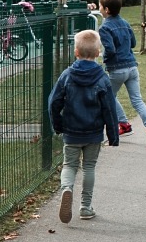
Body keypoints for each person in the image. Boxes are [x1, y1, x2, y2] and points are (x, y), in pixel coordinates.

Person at [48, 29, 120, 223]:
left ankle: (67, 189)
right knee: (89, 167)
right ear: (98, 53)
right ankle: (85, 207)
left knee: (69, 165)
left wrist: (58, 125)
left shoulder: (67, 75)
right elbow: (110, 110)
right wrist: (113, 135)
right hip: (94, 133)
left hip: (71, 131)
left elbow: (54, 102)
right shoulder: (102, 78)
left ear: (76, 52)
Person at [98, 0, 146, 145]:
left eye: (99, 6)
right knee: (137, 100)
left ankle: (124, 125)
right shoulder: (125, 23)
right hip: (132, 67)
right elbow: (132, 43)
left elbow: (110, 50)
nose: (99, 8)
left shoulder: (105, 27)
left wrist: (105, 60)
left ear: (106, 10)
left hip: (116, 69)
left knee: (109, 96)